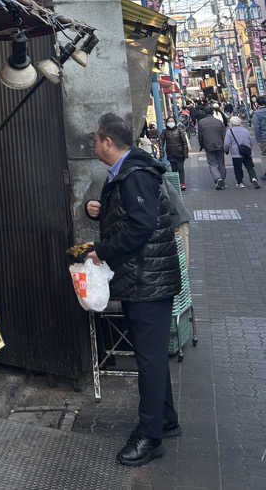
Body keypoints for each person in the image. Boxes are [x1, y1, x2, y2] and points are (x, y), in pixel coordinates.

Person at [85, 113, 181, 467]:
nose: (93, 145)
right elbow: (129, 216)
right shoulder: (129, 172)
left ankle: (150, 436)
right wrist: (97, 211)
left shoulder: (135, 174)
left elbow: (140, 228)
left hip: (148, 281)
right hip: (144, 278)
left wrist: (103, 250)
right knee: (151, 355)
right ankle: (166, 418)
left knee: (149, 359)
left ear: (108, 142)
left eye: (96, 140)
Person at [224, 115, 260, 190]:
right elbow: (250, 141)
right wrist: (250, 149)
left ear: (231, 123)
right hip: (246, 152)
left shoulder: (229, 131)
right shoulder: (245, 130)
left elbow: (226, 143)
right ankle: (253, 178)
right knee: (250, 167)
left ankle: (240, 183)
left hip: (236, 153)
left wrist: (226, 150)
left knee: (238, 169)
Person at [197, 105, 227, 190]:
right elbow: (224, 134)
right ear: (212, 112)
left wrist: (201, 145)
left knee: (212, 163)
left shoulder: (201, 122)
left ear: (204, 113)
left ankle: (218, 178)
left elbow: (200, 136)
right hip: (220, 144)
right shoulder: (218, 122)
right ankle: (222, 179)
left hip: (208, 145)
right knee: (221, 163)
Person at [162, 115, 189, 191]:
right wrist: (161, 153)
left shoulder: (179, 130)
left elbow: (184, 142)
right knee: (174, 169)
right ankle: (176, 184)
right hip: (170, 153)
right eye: (169, 121)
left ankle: (182, 184)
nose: (170, 123)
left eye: (172, 121)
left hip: (180, 153)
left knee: (180, 168)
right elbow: (161, 142)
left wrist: (185, 153)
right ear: (166, 123)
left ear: (175, 122)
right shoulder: (164, 132)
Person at [252, 95, 266, 180]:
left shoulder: (257, 114)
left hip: (264, 138)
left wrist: (258, 141)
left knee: (264, 156)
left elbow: (257, 128)